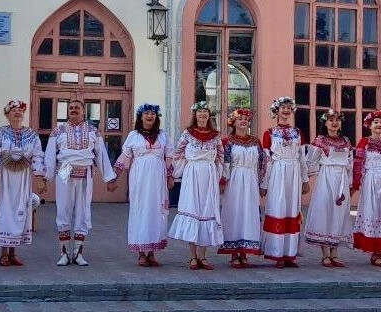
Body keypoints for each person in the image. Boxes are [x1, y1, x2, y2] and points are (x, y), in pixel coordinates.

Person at [44, 98, 117, 266]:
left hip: (85, 173)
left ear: (84, 111)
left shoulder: (93, 131)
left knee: (83, 211)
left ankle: (78, 253)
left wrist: (109, 178)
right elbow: (50, 154)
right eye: (71, 108)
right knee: (63, 210)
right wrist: (45, 177)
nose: (73, 110)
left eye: (77, 107)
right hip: (64, 172)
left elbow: (101, 154)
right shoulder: (58, 130)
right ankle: (64, 253)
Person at [0, 99, 46, 266]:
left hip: (23, 177)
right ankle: (3, 253)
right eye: (13, 110)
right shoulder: (0, 132)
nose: (17, 112)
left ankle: (13, 253)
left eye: (20, 110)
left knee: (21, 211)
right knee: (5, 212)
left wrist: (39, 178)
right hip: (5, 177)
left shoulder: (32, 134)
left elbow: (37, 155)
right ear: (7, 115)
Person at [113, 103, 173, 266]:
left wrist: (170, 177)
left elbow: (169, 156)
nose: (150, 116)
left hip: (158, 178)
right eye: (146, 113)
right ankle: (141, 252)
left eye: (153, 113)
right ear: (140, 116)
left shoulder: (163, 135)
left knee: (156, 211)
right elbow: (125, 157)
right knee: (140, 210)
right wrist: (115, 178)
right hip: (139, 177)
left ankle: (152, 252)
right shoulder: (133, 135)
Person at [169, 101, 224, 269]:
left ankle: (203, 256)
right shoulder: (188, 134)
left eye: (205, 112)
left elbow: (221, 157)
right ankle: (193, 257)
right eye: (199, 112)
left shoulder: (215, 136)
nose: (202, 115)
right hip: (192, 175)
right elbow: (177, 153)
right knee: (193, 210)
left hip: (209, 175)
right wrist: (177, 172)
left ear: (209, 115)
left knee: (207, 212)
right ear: (195, 115)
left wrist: (220, 176)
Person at [260, 96, 310, 268]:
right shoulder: (269, 133)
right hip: (277, 172)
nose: (286, 110)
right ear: (277, 111)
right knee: (278, 208)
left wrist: (305, 180)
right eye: (283, 107)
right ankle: (277, 253)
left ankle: (290, 254)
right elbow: (267, 160)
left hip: (294, 172)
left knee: (292, 209)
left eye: (289, 107)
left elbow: (302, 158)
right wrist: (264, 184)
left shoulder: (298, 133)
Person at [303, 109, 353, 267]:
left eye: (337, 120)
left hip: (342, 179)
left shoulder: (346, 141)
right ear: (325, 123)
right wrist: (308, 179)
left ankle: (335, 253)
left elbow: (350, 162)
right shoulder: (320, 140)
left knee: (339, 213)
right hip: (326, 178)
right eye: (331, 120)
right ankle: (325, 254)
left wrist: (350, 183)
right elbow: (311, 160)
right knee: (326, 212)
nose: (334, 123)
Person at [351, 110, 381, 267]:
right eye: (376, 122)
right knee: (372, 213)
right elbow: (357, 164)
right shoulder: (364, 142)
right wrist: (356, 184)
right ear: (369, 125)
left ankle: (380, 252)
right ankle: (374, 251)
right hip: (371, 181)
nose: (379, 125)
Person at [219, 108, 266, 268]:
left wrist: (262, 183)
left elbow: (262, 163)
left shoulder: (255, 141)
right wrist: (223, 181)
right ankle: (234, 253)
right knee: (234, 213)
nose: (244, 121)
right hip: (234, 180)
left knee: (249, 213)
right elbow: (224, 163)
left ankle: (245, 252)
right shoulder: (227, 141)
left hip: (251, 180)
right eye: (240, 119)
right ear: (233, 123)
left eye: (246, 119)